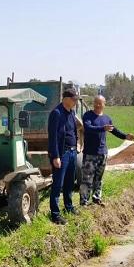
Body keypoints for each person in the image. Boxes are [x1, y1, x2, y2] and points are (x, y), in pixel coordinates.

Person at [80, 95, 134, 206]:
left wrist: (125, 136)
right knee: (87, 178)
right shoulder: (88, 115)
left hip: (103, 153)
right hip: (90, 153)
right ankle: (84, 202)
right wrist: (103, 128)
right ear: (93, 103)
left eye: (100, 103)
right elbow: (88, 128)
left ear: (104, 104)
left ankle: (96, 199)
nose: (98, 105)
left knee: (99, 178)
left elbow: (114, 130)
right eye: (96, 103)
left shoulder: (106, 118)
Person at [47, 88, 80, 225]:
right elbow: (53, 136)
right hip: (62, 154)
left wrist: (77, 145)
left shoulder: (71, 113)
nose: (75, 102)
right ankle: (55, 214)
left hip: (72, 152)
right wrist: (56, 156)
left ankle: (69, 207)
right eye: (74, 100)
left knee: (69, 183)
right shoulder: (57, 113)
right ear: (66, 98)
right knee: (58, 184)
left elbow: (73, 130)